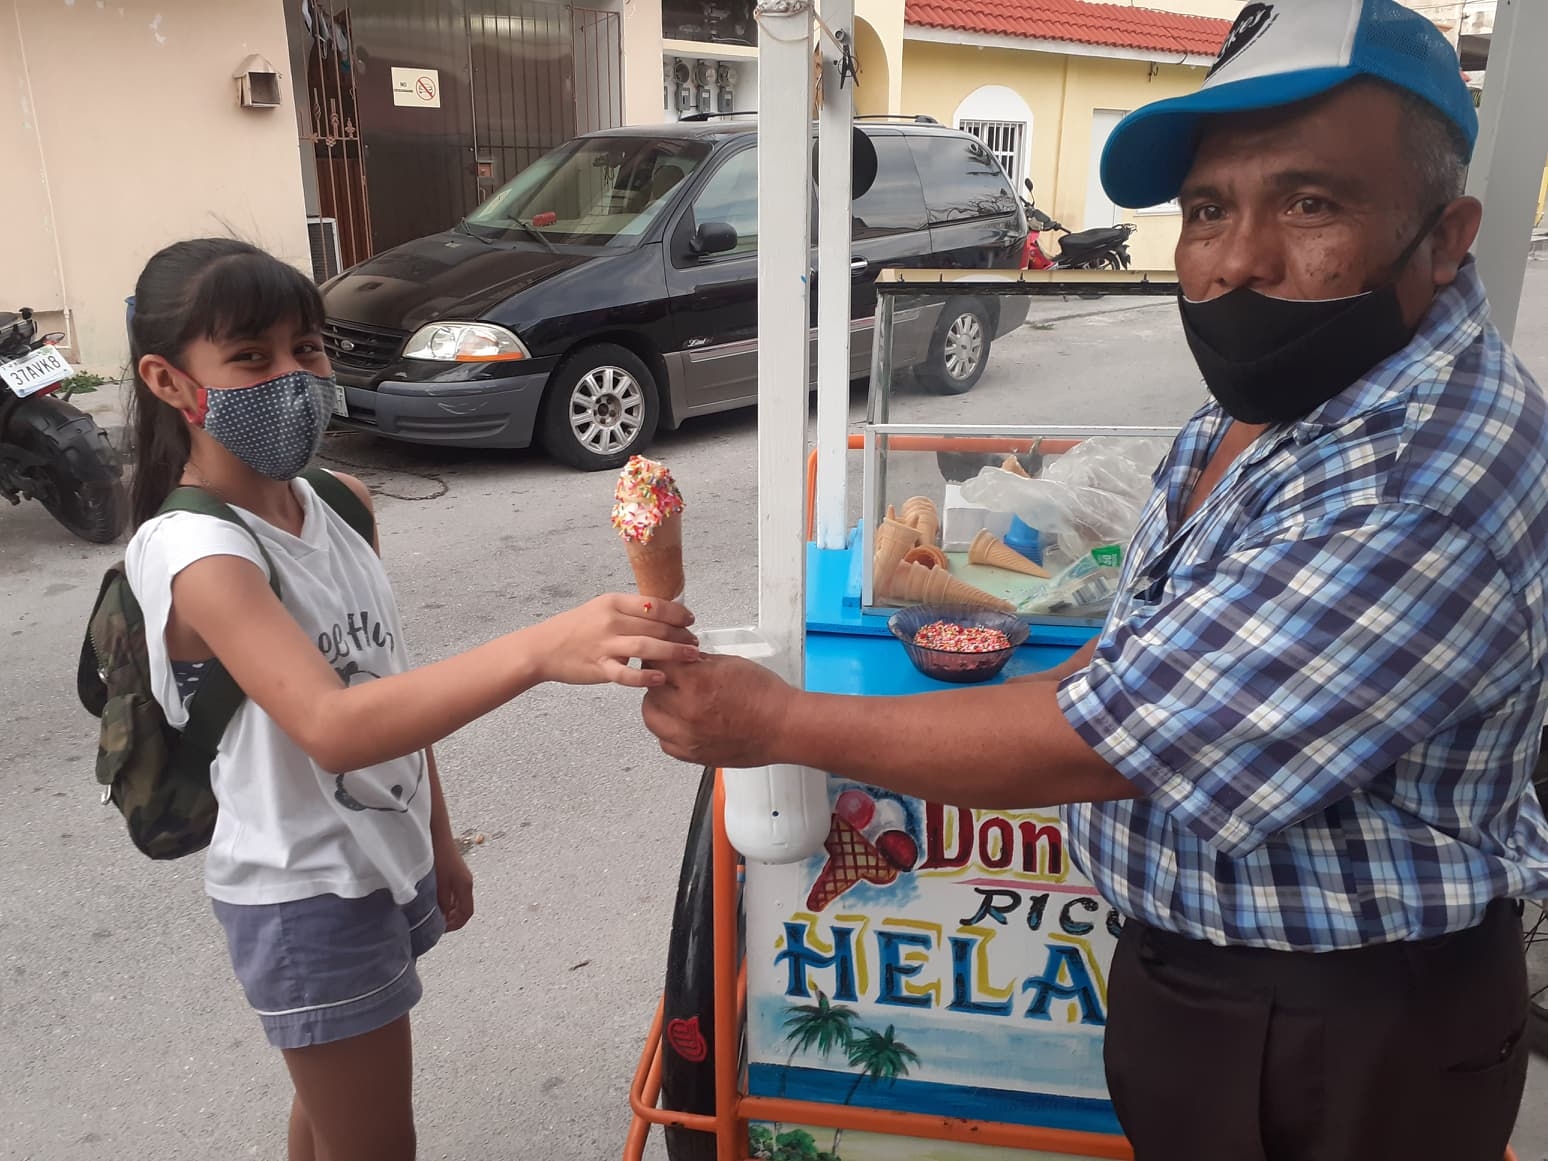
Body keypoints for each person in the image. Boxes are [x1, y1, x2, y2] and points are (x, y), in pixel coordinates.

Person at [641, 1, 1548, 1157]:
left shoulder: (1421, 473)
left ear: (1449, 231)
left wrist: (779, 718)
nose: (1237, 260)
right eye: (1209, 210)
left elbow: (1113, 740)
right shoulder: (1310, 384)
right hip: (1229, 994)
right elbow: (1154, 638)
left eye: (1311, 203)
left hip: (1339, 1032)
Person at [123, 238, 697, 1161]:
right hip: (303, 892)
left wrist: (437, 838)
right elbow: (333, 726)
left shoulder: (340, 503)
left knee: (331, 1106)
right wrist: (543, 648)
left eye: (307, 347)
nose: (293, 376)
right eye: (250, 357)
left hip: (379, 861)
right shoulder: (195, 551)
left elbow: (387, 685)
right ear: (170, 380)